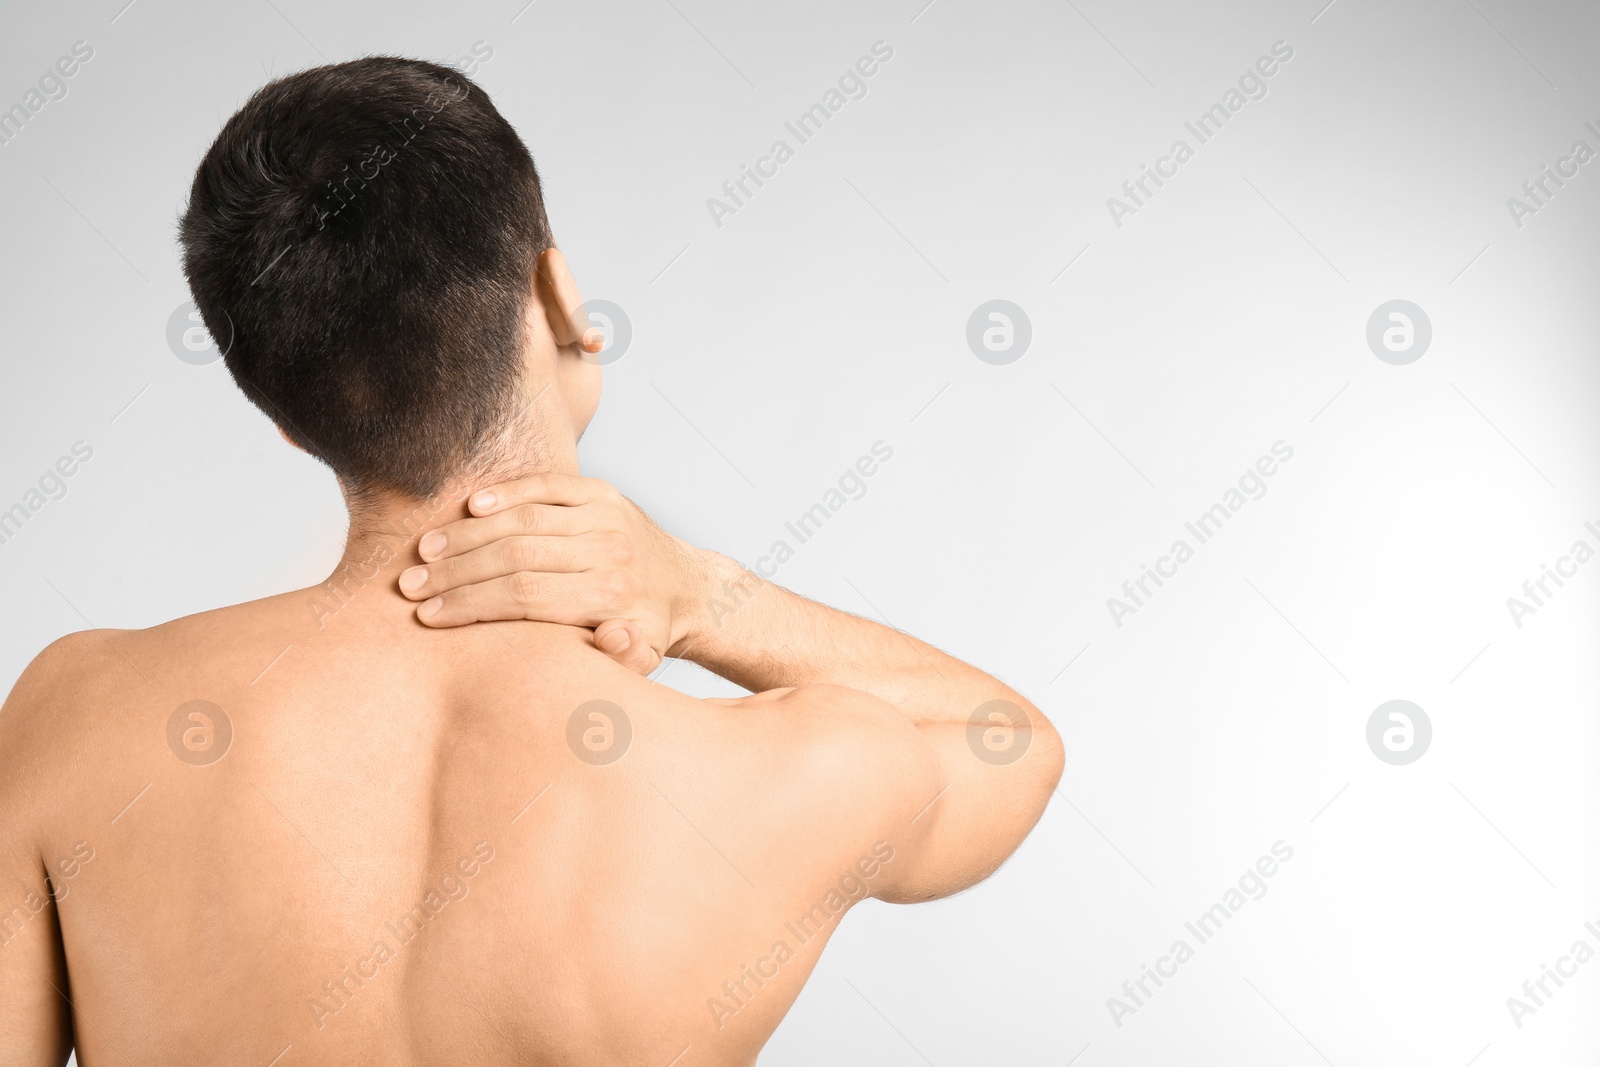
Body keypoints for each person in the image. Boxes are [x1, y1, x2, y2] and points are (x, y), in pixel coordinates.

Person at [0, 57, 1062, 1066]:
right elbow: (1012, 743)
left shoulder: (73, 714)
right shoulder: (780, 771)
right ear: (559, 298)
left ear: (285, 414)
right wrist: (702, 594)